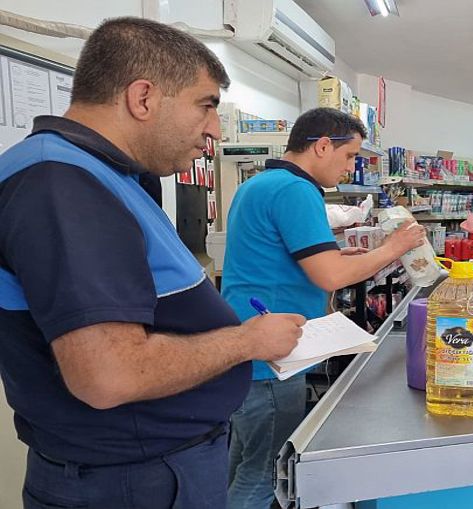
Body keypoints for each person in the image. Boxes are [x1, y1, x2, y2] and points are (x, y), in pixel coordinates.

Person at [0, 18, 305, 509]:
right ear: (142, 98)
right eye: (206, 105)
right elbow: (109, 375)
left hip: (151, 468)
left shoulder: (105, 175)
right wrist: (246, 341)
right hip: (131, 481)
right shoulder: (64, 185)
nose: (214, 130)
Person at [221, 107, 425, 509]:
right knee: (264, 472)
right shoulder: (297, 190)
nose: (350, 168)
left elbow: (297, 258)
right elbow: (330, 277)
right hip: (274, 355)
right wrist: (393, 248)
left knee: (242, 458)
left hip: (245, 345)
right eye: (349, 156)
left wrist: (341, 254)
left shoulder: (262, 183)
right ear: (322, 146)